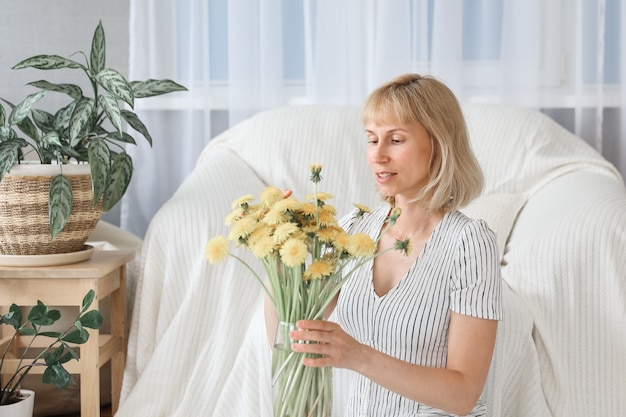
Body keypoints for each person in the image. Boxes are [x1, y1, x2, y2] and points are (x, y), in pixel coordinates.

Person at [266, 73, 503, 416]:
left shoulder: (469, 243)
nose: (378, 155)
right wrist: (277, 260)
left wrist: (357, 355)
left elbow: (463, 393)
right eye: (372, 139)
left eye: (395, 139)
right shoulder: (353, 231)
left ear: (437, 144)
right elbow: (290, 336)